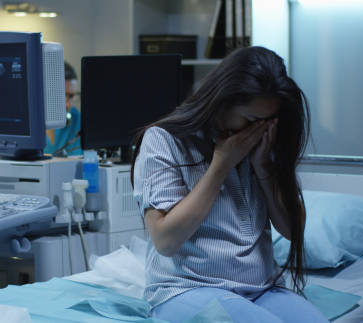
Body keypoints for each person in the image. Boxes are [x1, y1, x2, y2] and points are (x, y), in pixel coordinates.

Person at [131, 46, 328, 323]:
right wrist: (221, 165)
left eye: (267, 122)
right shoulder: (164, 140)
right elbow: (165, 240)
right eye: (251, 120)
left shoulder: (263, 143)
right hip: (187, 288)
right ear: (221, 102)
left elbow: (292, 228)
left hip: (261, 288)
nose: (258, 130)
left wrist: (263, 169)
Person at [44, 61, 82, 157]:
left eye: (71, 96)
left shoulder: (78, 120)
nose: (68, 104)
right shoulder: (29, 124)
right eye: (62, 95)